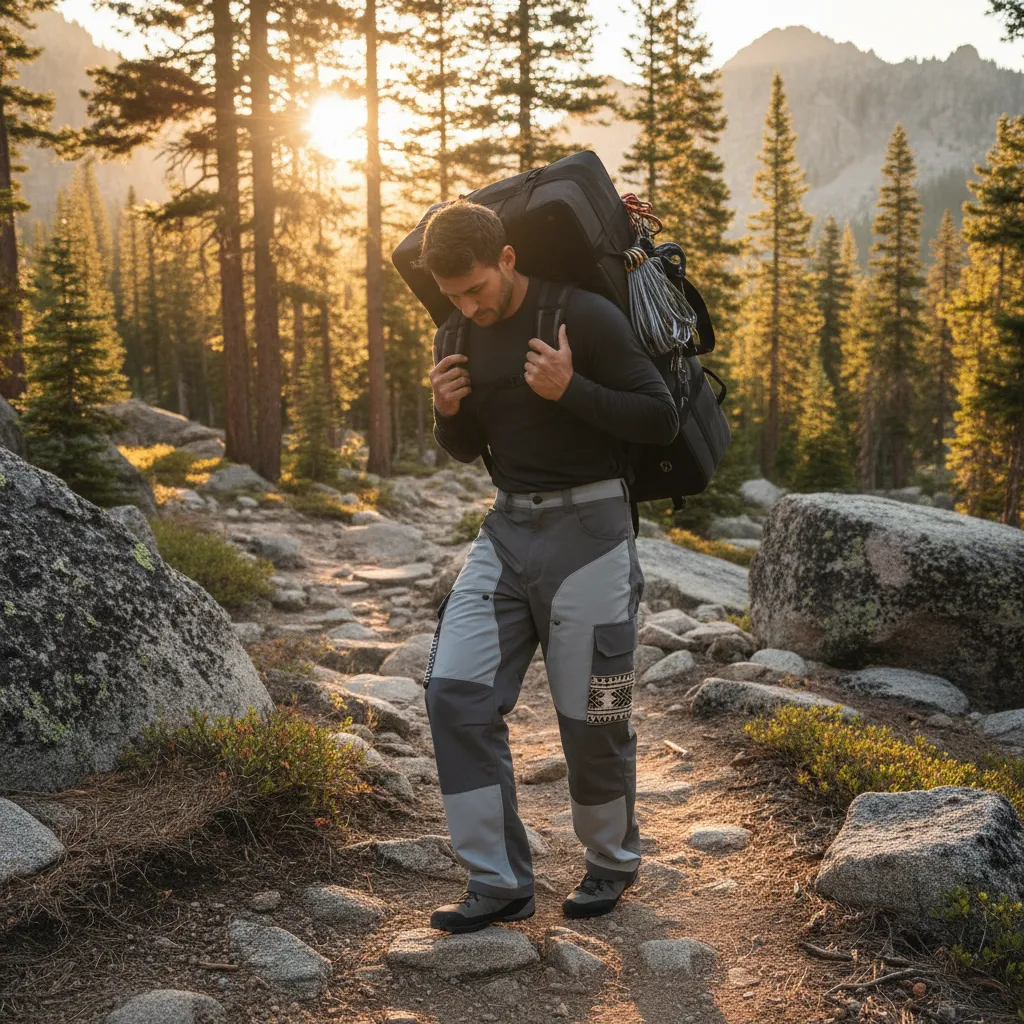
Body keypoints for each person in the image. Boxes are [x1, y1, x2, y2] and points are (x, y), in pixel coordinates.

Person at [417, 199, 679, 934]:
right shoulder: (455, 330)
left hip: (591, 528)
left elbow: (659, 417)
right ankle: (498, 881)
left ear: (506, 259)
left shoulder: (583, 316)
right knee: (452, 693)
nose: (468, 304)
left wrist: (574, 391)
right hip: (506, 529)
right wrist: (444, 411)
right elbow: (467, 447)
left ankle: (610, 863)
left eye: (476, 287)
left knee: (593, 716)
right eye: (452, 295)